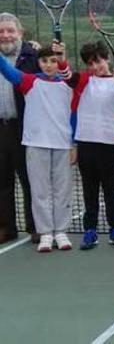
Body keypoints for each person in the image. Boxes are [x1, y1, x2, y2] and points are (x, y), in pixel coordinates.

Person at [0, 43, 74, 252]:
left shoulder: (68, 83)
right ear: (38, 63)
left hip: (62, 144)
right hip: (35, 144)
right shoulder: (28, 81)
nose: (49, 65)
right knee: (39, 191)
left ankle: (60, 232)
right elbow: (6, 69)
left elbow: (74, 113)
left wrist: (73, 143)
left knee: (62, 190)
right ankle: (45, 233)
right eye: (45, 61)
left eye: (53, 60)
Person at [62, 42, 114, 250]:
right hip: (86, 144)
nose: (96, 66)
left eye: (99, 61)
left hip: (109, 145)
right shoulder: (84, 80)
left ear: (107, 58)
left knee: (111, 191)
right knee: (89, 191)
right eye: (91, 63)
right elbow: (67, 75)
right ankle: (90, 231)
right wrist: (61, 56)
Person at [0, 12, 38, 244]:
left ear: (20, 33)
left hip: (24, 129)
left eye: (10, 30)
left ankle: (35, 226)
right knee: (1, 183)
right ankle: (6, 228)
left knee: (30, 180)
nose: (5, 35)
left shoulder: (33, 56)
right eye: (1, 31)